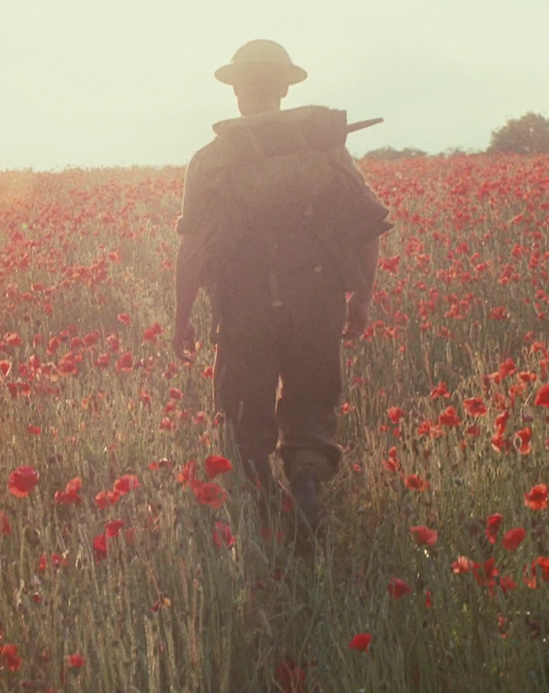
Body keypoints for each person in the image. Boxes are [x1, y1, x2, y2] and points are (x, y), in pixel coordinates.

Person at [171, 39, 391, 540]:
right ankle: (307, 484)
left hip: (243, 303)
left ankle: (264, 505)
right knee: (311, 401)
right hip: (315, 298)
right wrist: (361, 298)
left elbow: (192, 249)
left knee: (243, 410)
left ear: (236, 92)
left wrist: (182, 316)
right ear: (284, 89)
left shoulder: (210, 160)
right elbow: (366, 227)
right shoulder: (324, 147)